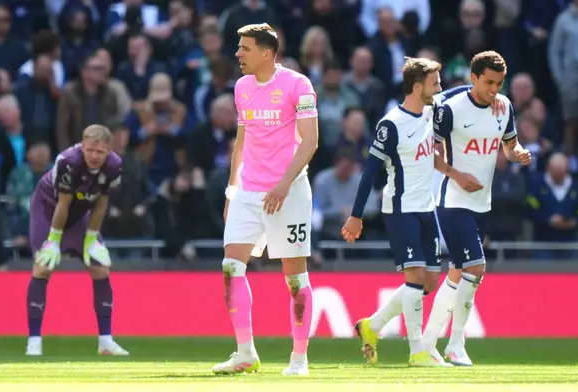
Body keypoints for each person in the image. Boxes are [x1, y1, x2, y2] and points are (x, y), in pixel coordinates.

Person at [341, 57, 486, 367]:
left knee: (429, 282)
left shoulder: (431, 108)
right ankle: (417, 350)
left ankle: (373, 325)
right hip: (400, 209)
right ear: (418, 86)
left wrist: (491, 95)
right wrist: (357, 215)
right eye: (435, 83)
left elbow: (461, 91)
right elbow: (369, 172)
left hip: (426, 208)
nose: (440, 89)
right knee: (415, 277)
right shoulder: (391, 124)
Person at [212, 23, 319, 376]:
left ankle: (299, 358)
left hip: (288, 193)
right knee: (231, 267)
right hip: (249, 191)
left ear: (266, 53)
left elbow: (310, 141)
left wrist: (283, 185)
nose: (238, 54)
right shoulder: (242, 87)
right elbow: (241, 143)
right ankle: (245, 353)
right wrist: (232, 191)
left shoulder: (298, 85)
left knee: (294, 277)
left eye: (245, 48)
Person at [423, 51, 531, 366]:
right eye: (488, 82)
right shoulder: (451, 108)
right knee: (476, 268)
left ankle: (428, 343)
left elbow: (510, 148)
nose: (494, 89)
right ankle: (456, 344)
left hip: (482, 204)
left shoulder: (504, 107)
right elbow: (430, 152)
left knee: (458, 272)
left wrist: (520, 154)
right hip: (453, 200)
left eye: (498, 83)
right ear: (473, 78)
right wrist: (456, 175)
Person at [24, 124, 129, 357]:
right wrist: (53, 240)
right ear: (82, 146)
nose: (93, 156)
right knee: (42, 268)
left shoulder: (115, 166)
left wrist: (92, 238)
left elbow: (102, 203)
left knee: (100, 269)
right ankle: (34, 342)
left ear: (109, 150)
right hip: (48, 210)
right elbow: (63, 203)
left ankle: (105, 341)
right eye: (89, 150)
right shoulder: (68, 161)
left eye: (99, 152)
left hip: (81, 213)